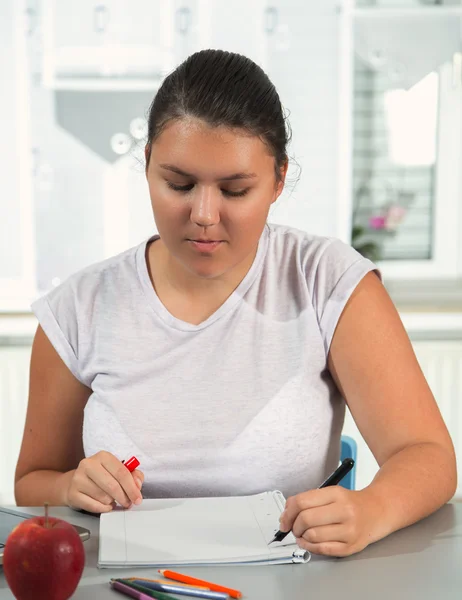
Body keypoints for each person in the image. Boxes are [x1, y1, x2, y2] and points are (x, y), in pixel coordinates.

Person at [14, 49, 456, 557]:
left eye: (235, 189)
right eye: (178, 184)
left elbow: (427, 456)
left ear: (278, 179)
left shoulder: (327, 281)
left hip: (292, 581)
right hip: (132, 583)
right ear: (146, 165)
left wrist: (373, 508)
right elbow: (33, 482)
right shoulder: (79, 308)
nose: (204, 214)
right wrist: (71, 486)